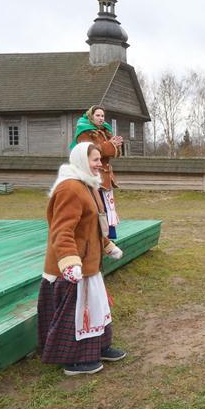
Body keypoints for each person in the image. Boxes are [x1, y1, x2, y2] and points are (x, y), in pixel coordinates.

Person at [38, 142, 126, 376]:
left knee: (96, 308)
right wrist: (69, 262)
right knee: (77, 315)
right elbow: (62, 230)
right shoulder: (69, 188)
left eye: (100, 159)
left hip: (90, 264)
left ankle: (99, 348)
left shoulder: (89, 185)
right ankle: (74, 360)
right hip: (74, 269)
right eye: (95, 160)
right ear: (81, 161)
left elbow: (92, 225)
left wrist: (107, 245)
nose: (100, 164)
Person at [72, 105, 123, 239]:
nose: (101, 118)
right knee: (95, 207)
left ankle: (108, 237)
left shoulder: (105, 131)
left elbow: (113, 153)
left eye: (102, 116)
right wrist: (110, 145)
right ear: (91, 116)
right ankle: (96, 236)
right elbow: (89, 150)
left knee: (107, 206)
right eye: (98, 115)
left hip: (105, 175)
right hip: (92, 175)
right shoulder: (84, 132)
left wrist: (116, 146)